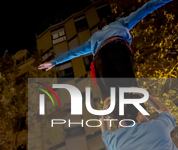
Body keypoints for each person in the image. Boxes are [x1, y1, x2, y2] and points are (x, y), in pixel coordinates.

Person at [38, 0, 172, 101]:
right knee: (128, 84)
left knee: (109, 94)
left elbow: (73, 52)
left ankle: (121, 120)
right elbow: (146, 8)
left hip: (100, 57)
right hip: (117, 47)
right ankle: (137, 115)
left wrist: (54, 62)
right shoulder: (121, 22)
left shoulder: (94, 38)